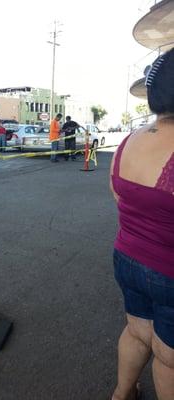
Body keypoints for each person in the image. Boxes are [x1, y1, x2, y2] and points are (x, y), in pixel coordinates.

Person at [110, 47, 174, 400]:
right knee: (168, 358)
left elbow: (119, 198)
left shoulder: (128, 141)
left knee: (136, 332)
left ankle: (122, 394)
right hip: (169, 273)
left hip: (126, 257)